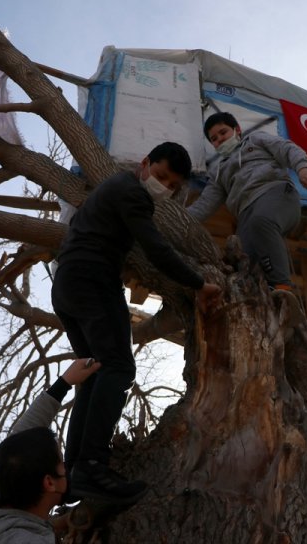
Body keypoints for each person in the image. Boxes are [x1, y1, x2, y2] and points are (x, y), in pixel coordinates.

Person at [51, 141, 221, 503]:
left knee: (93, 373)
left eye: (173, 185)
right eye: (160, 176)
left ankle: (75, 472)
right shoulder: (131, 192)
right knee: (118, 368)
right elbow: (156, 249)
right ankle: (93, 466)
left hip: (66, 284)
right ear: (144, 163)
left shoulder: (111, 191)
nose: (164, 187)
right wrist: (197, 284)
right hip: (93, 280)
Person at [0, 358, 102, 544]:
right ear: (49, 483)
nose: (66, 468)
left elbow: (21, 435)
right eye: (62, 465)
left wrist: (64, 382)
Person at [187, 112, 307, 292]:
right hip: (245, 216)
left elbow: (287, 148)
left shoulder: (256, 140)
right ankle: (260, 304)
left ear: (237, 130)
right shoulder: (218, 173)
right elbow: (204, 204)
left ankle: (282, 288)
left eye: (223, 133)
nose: (220, 140)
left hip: (276, 194)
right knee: (241, 263)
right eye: (214, 139)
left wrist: (302, 168)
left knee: (261, 221)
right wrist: (179, 218)